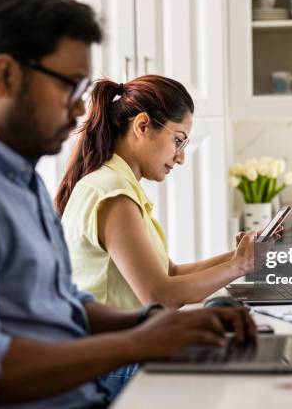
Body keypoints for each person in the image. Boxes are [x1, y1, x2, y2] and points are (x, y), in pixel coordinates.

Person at [0, 0, 255, 408]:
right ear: (5, 75)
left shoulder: (14, 178)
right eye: (70, 85)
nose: (82, 109)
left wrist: (151, 321)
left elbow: (62, 305)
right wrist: (138, 343)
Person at [55, 76, 278, 310]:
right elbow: (158, 295)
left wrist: (239, 257)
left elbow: (170, 273)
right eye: (178, 141)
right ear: (142, 126)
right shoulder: (113, 194)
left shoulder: (113, 185)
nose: (181, 157)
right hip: (113, 344)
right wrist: (240, 265)